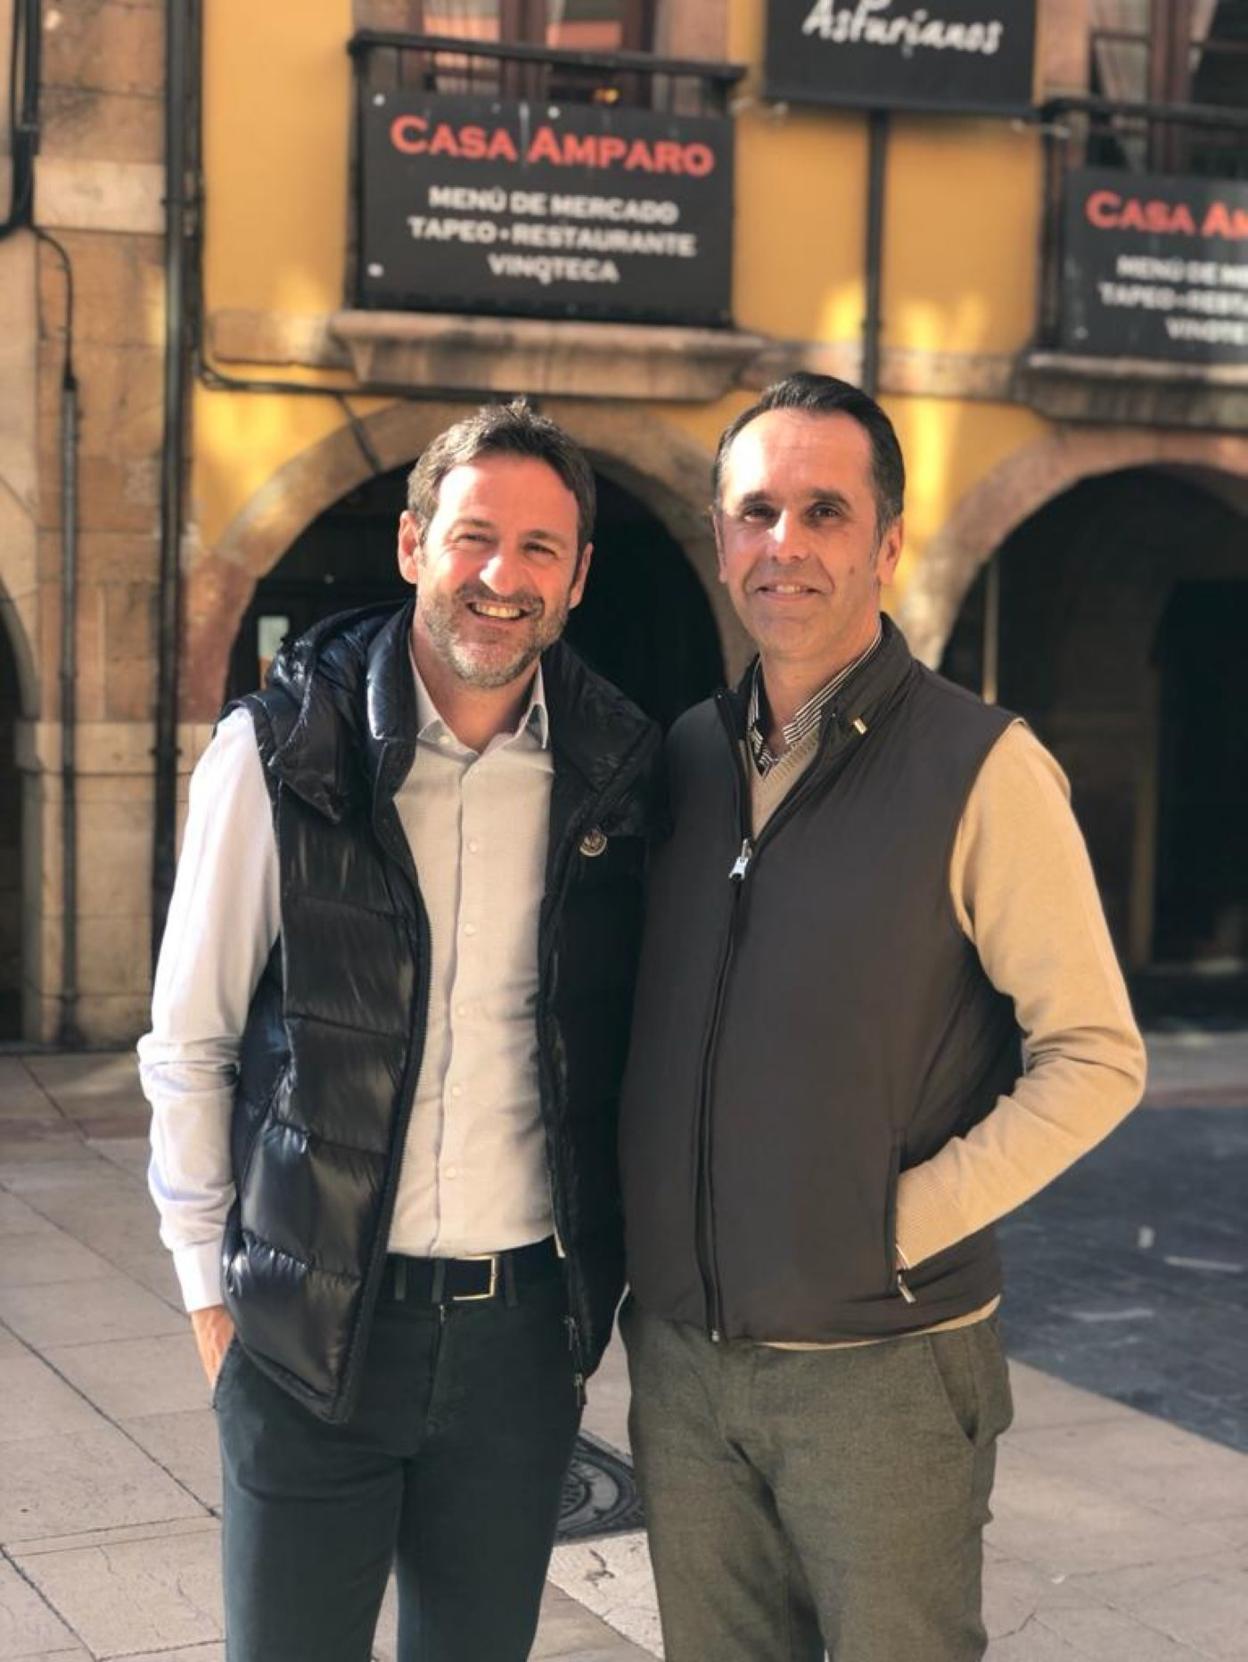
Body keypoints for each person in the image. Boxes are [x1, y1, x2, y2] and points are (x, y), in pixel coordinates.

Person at [618, 373, 1147, 1662]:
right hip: (686, 1365)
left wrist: (895, 1227)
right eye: (755, 512)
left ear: (889, 543)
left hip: (885, 1364)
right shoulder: (683, 757)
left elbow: (1096, 1057)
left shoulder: (983, 764)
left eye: (824, 511)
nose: (783, 544)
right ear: (722, 536)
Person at [139, 400, 660, 1662]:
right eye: (475, 536)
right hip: (310, 1329)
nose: (503, 576)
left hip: (521, 1341)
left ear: (579, 578)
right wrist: (212, 1292)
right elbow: (192, 1040)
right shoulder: (275, 754)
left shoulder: (621, 773)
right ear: (415, 544)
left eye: (542, 549)